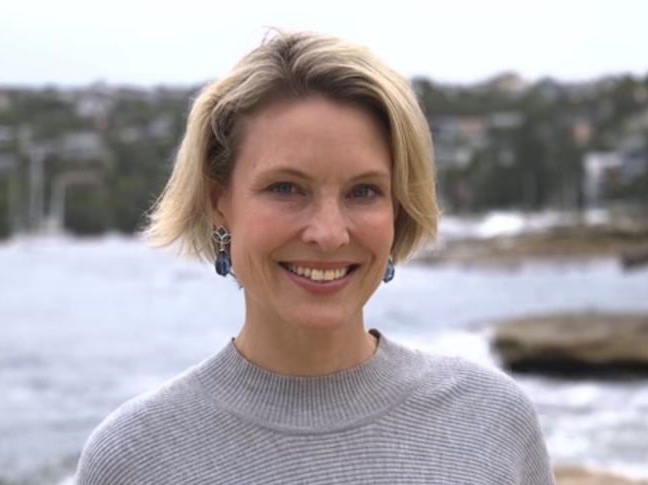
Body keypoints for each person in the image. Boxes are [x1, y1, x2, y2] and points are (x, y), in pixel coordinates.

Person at [74, 29, 554, 485]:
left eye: (364, 191)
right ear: (220, 201)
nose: (328, 233)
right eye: (286, 188)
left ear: (399, 207)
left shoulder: (492, 421)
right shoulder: (134, 458)